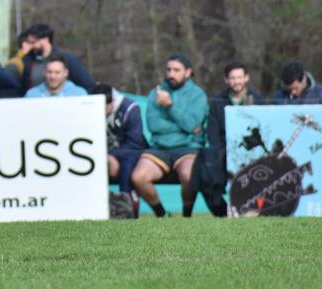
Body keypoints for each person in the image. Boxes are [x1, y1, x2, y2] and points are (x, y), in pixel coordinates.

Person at [130, 54, 209, 218]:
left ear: (188, 73)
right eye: (169, 70)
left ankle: (186, 216)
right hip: (159, 148)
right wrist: (182, 128)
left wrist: (170, 106)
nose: (171, 74)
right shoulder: (156, 93)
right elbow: (154, 126)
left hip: (188, 148)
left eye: (176, 70)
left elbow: (191, 124)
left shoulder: (198, 95)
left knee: (189, 176)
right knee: (138, 177)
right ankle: (162, 215)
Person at [195, 61, 265, 217]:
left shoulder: (258, 100)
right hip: (224, 153)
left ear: (246, 78)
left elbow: (264, 131)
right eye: (232, 78)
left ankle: (258, 211)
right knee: (203, 174)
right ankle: (222, 212)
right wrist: (225, 153)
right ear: (226, 80)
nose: (236, 81)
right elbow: (212, 134)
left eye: (240, 77)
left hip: (253, 154)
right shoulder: (217, 102)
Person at [94, 82, 146, 211]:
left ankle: (128, 208)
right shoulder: (89, 109)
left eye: (102, 108)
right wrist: (107, 157)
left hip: (130, 153)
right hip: (103, 154)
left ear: (111, 103)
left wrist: (112, 156)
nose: (98, 112)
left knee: (127, 167)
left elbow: (135, 143)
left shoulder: (130, 108)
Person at [7, 23, 97, 94]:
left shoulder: (66, 58)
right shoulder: (27, 60)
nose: (30, 46)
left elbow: (88, 84)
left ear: (45, 40)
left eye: (33, 42)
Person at [24, 55, 88, 98]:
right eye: (49, 72)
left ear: (66, 73)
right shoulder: (31, 95)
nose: (52, 77)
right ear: (44, 72)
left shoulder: (79, 94)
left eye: (57, 72)